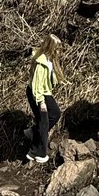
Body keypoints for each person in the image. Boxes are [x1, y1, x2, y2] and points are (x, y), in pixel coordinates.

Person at [26, 33, 63, 164]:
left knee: (55, 114)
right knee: (44, 121)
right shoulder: (41, 62)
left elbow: (34, 51)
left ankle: (33, 132)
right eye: (57, 48)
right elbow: (37, 84)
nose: (58, 51)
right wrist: (41, 102)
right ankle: (37, 152)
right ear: (50, 47)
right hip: (38, 94)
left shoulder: (47, 57)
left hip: (44, 92)